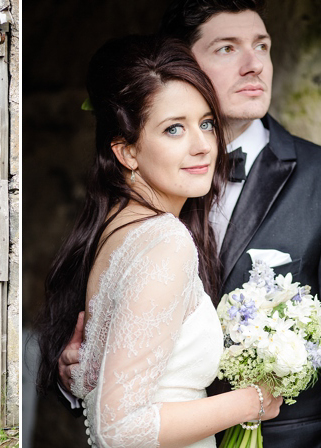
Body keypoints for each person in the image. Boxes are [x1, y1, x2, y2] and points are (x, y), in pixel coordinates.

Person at [58, 1, 321, 446]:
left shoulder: (314, 176)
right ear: (185, 62)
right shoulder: (153, 217)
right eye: (226, 48)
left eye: (262, 46)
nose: (254, 64)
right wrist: (78, 374)